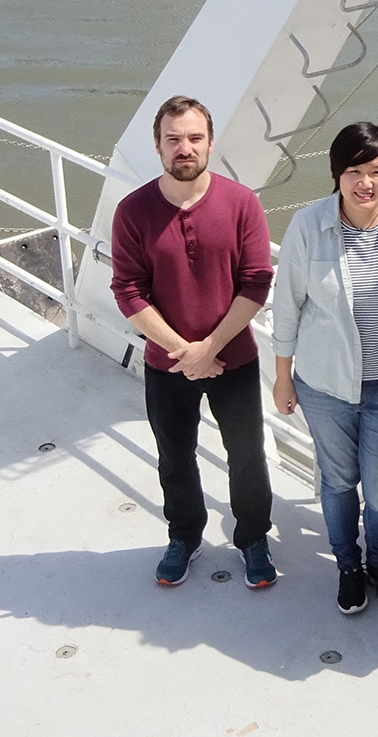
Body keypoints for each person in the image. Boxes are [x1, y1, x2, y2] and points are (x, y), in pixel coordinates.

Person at [110, 95, 276, 589]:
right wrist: (185, 351)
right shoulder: (132, 211)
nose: (185, 148)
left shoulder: (241, 202)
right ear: (157, 146)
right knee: (174, 454)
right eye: (174, 139)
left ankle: (253, 538)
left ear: (210, 142)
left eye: (194, 138)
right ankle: (184, 534)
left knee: (247, 453)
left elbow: (256, 282)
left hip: (235, 359)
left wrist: (210, 347)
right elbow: (128, 290)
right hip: (168, 364)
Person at [271, 122, 378, 614]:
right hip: (324, 385)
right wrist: (282, 375)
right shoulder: (308, 225)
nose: (366, 182)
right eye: (354, 171)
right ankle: (347, 566)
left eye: (377, 171)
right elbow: (287, 303)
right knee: (338, 481)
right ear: (337, 173)